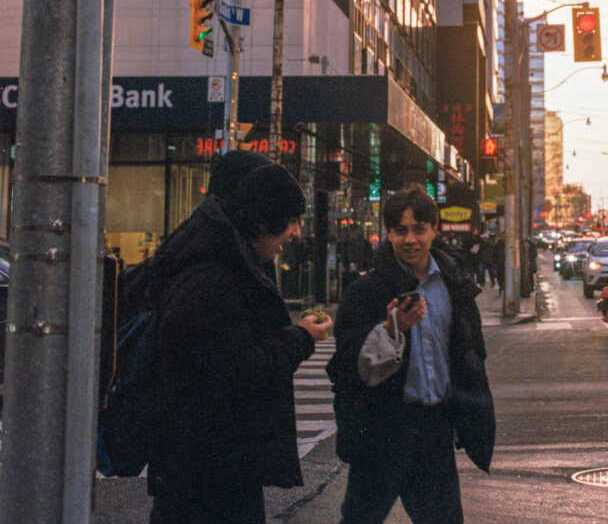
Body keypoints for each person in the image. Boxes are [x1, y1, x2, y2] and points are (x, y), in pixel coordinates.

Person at [147, 162, 333, 524]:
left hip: (210, 466)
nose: (295, 233)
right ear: (263, 222)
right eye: (291, 220)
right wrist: (301, 338)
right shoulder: (215, 279)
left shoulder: (218, 262)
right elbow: (236, 370)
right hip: (210, 472)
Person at [329, 186, 494, 524]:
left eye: (419, 229)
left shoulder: (453, 284)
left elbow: (471, 348)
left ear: (435, 229)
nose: (410, 240)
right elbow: (346, 366)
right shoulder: (365, 292)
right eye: (400, 230)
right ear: (387, 232)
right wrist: (391, 329)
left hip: (435, 429)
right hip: (382, 431)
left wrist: (467, 407)